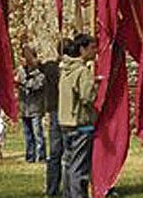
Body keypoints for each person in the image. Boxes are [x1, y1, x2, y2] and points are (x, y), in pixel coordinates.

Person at [59, 33, 96, 198]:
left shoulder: (65, 69)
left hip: (65, 121)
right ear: (82, 49)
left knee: (67, 165)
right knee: (78, 168)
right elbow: (87, 97)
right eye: (92, 48)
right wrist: (95, 85)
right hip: (81, 124)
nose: (95, 51)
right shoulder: (82, 71)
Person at [16, 46, 47, 163]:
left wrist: (22, 82)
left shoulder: (40, 72)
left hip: (35, 107)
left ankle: (41, 156)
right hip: (24, 107)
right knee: (28, 134)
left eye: (25, 58)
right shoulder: (21, 71)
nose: (22, 61)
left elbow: (37, 85)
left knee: (37, 133)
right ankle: (30, 156)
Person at [41, 46, 63, 196]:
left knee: (57, 154)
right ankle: (53, 189)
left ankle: (53, 189)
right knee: (57, 154)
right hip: (58, 112)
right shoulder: (51, 67)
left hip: (60, 112)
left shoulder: (51, 67)